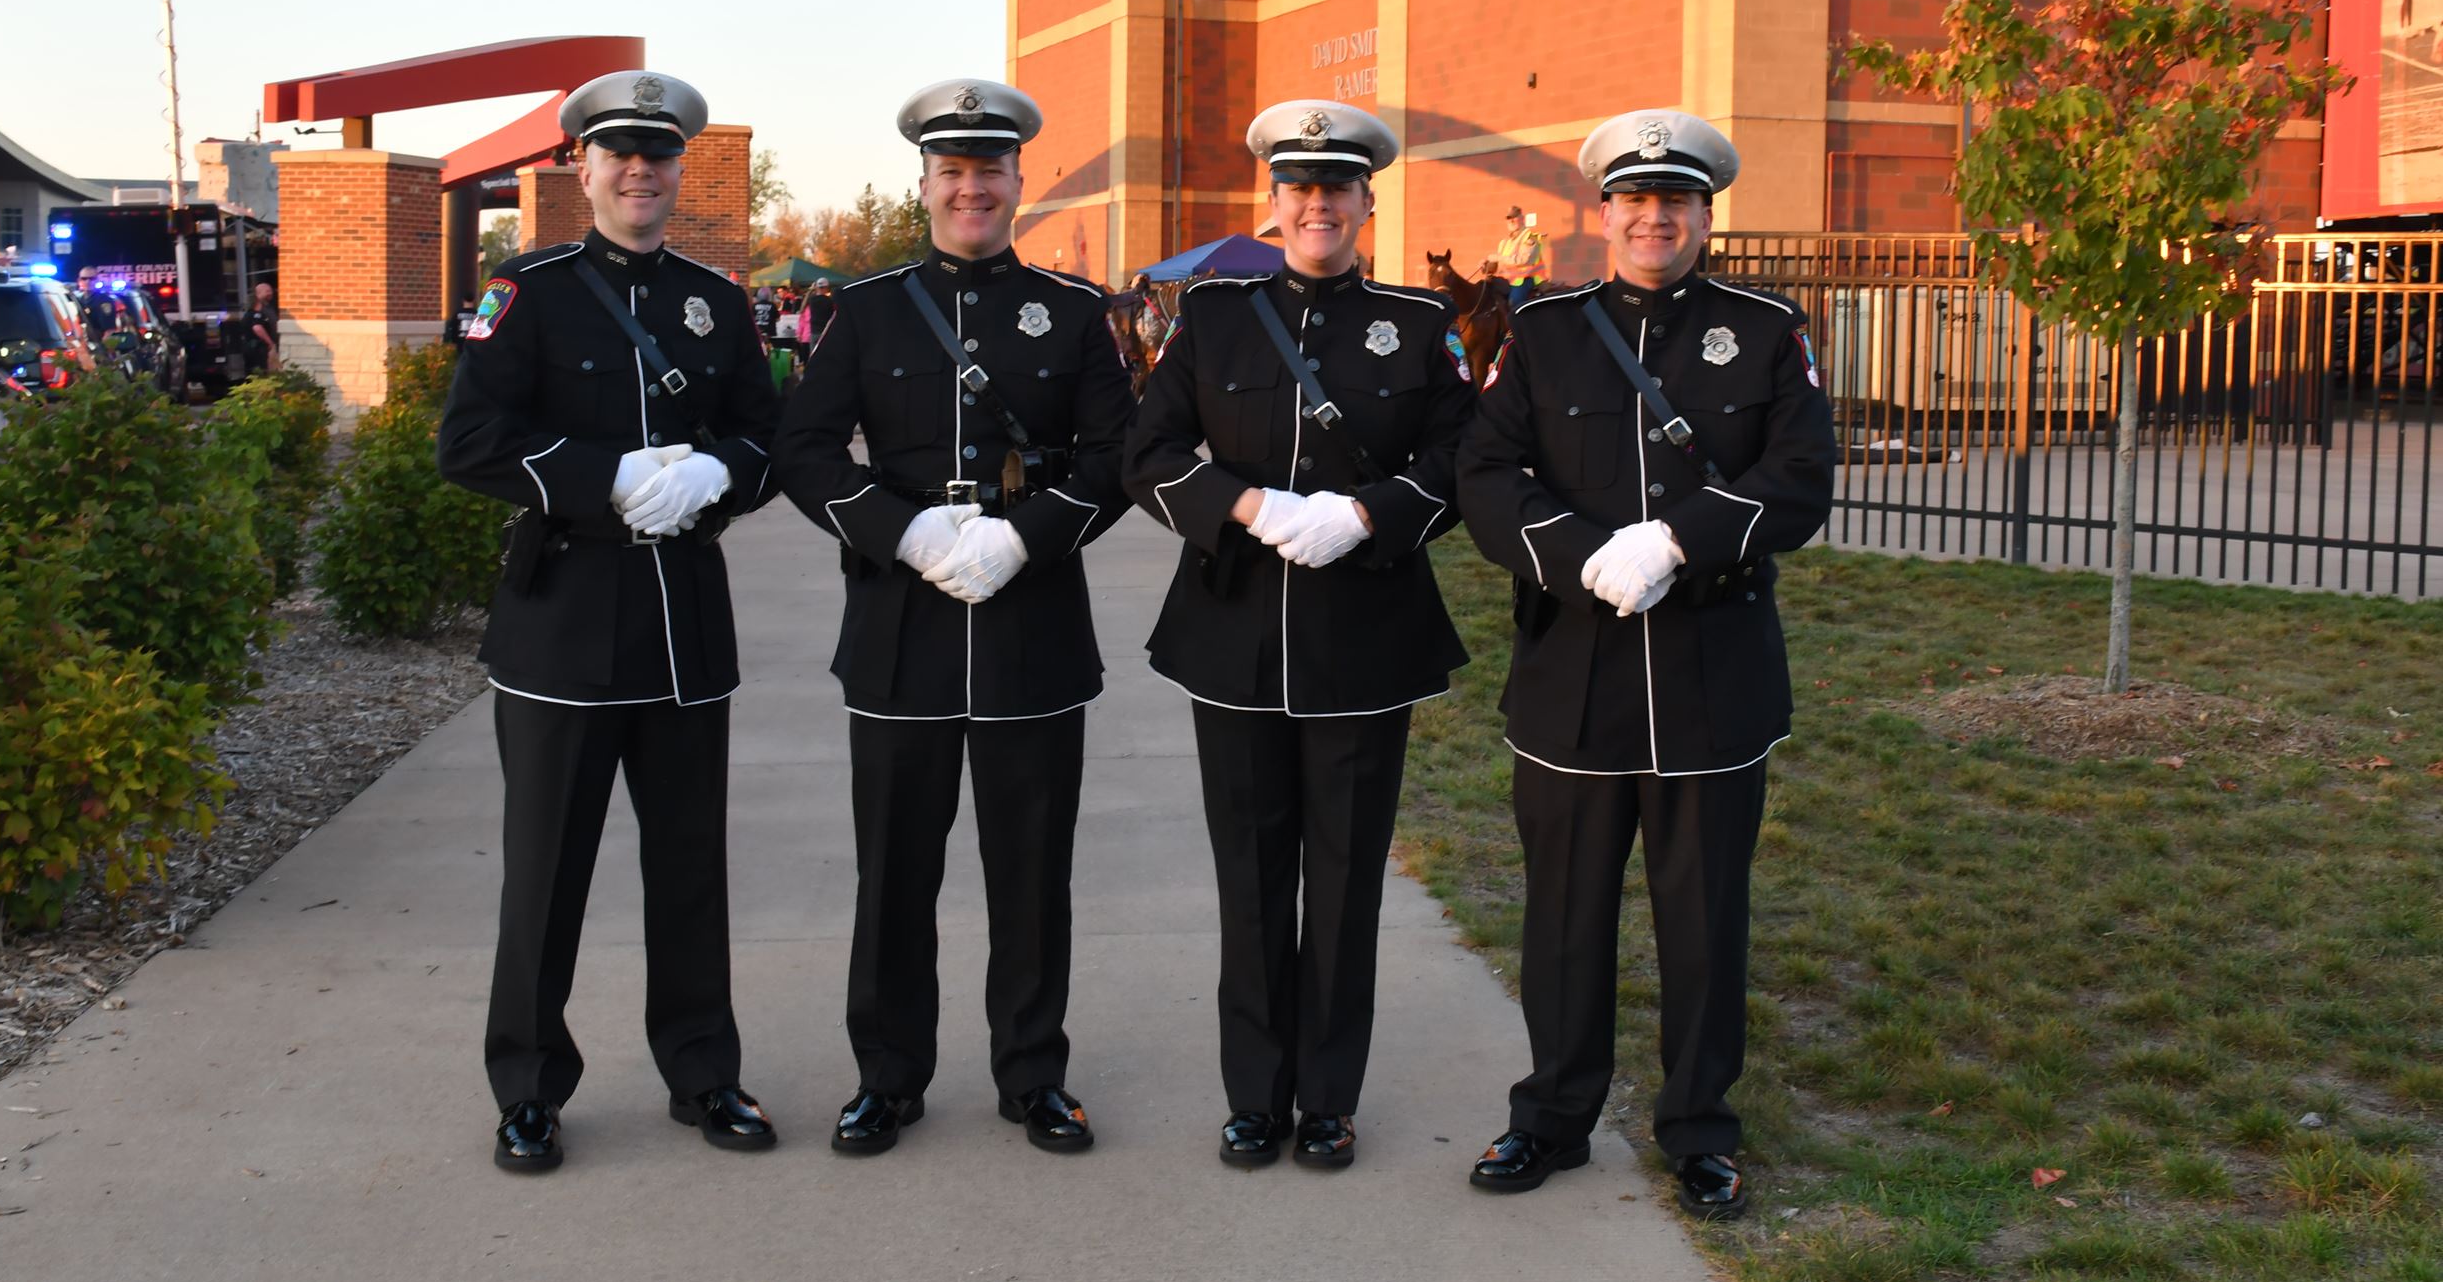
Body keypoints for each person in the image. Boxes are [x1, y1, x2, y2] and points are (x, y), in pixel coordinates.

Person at [1454, 108, 1833, 1214]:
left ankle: (1699, 1125)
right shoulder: (1548, 330)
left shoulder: (1764, 329)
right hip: (1572, 667)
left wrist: (1676, 538)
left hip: (1711, 666)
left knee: (1704, 914)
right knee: (1562, 912)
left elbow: (1799, 474)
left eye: (1675, 199)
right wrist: (1578, 555)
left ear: (1703, 212)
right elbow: (1484, 473)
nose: (1652, 215)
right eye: (1632, 198)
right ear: (1603, 211)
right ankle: (1551, 1113)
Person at [771, 78, 1136, 1159]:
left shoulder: (1072, 313)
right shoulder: (866, 308)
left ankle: (1033, 1074)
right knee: (893, 869)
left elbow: (1119, 455)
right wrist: (901, 530)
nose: (971, 187)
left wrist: (1029, 533)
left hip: (1031, 623)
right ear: (923, 184)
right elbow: (802, 446)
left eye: (991, 170)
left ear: (1019, 181)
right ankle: (886, 1077)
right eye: (952, 171)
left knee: (1032, 867)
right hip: (901, 625)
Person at [437, 70, 783, 1174]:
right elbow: (471, 444)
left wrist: (714, 474)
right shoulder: (522, 291)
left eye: (658, 152)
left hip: (683, 617)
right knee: (545, 871)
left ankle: (702, 1068)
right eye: (617, 151)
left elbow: (767, 439)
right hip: (563, 620)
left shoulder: (715, 301)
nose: (639, 169)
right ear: (577, 166)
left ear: (679, 166)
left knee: (690, 867)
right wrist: (604, 476)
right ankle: (528, 1084)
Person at [1123, 101, 1473, 1171]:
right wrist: (1244, 506)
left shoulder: (1418, 324)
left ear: (1367, 200)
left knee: (1345, 875)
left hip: (1364, 639)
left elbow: (1462, 458)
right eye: (1298, 186)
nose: (1317, 203)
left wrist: (1366, 513)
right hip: (1232, 637)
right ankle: (1252, 1093)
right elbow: (1146, 451)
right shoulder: (1214, 317)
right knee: (1250, 875)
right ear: (1272, 204)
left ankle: (1326, 1095)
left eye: (1338, 187)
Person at [1494, 204, 1548, 308]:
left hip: (1525, 280)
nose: (1512, 221)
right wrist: (1487, 264)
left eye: (1515, 217)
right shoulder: (1504, 242)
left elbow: (1525, 260)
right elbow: (1499, 264)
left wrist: (1498, 258)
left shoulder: (1530, 237)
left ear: (1522, 219)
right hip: (1506, 281)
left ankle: (1518, 323)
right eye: (1509, 218)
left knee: (1514, 303)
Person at [247, 281, 280, 373]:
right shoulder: (257, 310)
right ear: (258, 293)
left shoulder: (270, 306)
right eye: (267, 291)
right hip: (262, 348)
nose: (271, 293)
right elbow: (257, 327)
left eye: (271, 291)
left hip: (272, 346)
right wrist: (270, 343)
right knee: (265, 371)